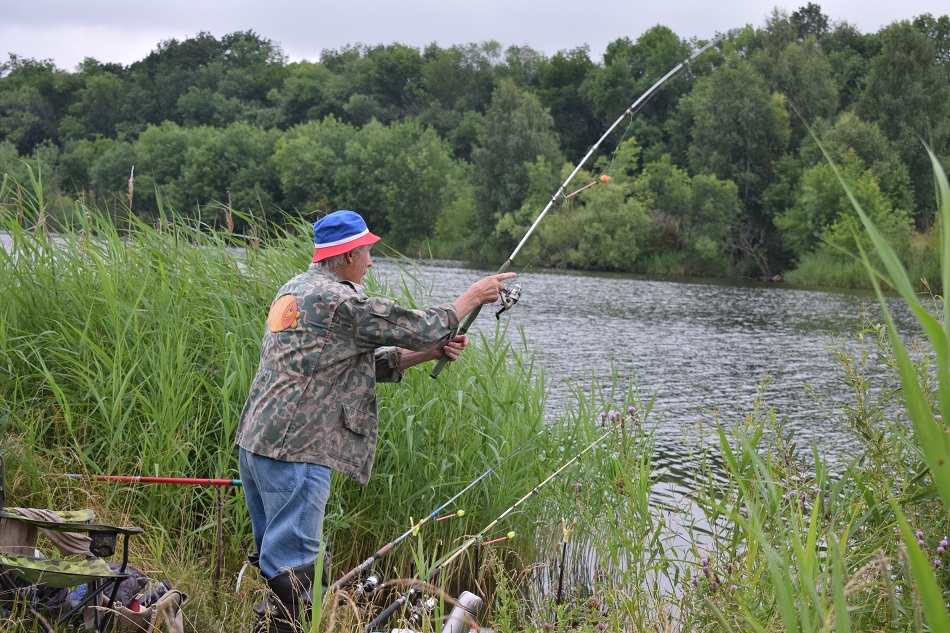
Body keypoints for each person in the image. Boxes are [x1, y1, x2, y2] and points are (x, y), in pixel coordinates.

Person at [235, 209, 514, 633]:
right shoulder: (339, 299)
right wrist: (473, 296)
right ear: (346, 255)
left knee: (278, 565)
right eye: (366, 251)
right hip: (298, 451)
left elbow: (346, 363)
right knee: (297, 575)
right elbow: (418, 326)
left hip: (259, 445)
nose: (370, 262)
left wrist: (430, 354)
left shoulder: (295, 290)